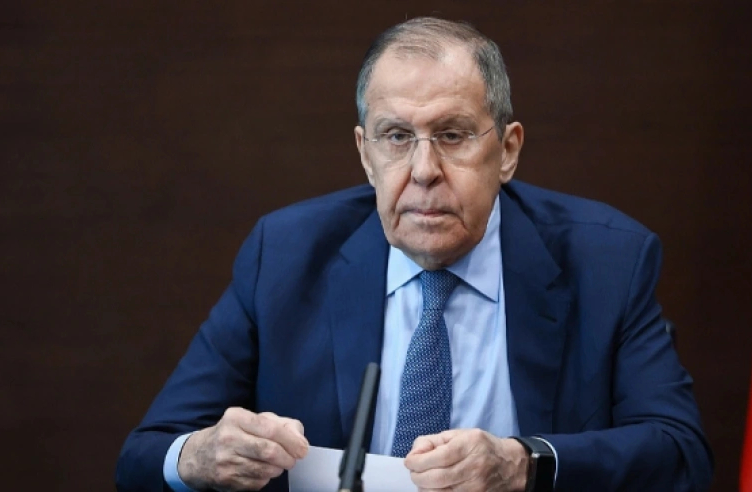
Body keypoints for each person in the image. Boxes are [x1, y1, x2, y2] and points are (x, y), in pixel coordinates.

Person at [116, 17, 713, 492]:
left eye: (452, 135)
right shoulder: (285, 255)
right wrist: (199, 456)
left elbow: (681, 454)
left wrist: (524, 464)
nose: (424, 171)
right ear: (365, 153)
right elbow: (145, 455)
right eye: (397, 137)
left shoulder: (607, 259)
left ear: (507, 151)